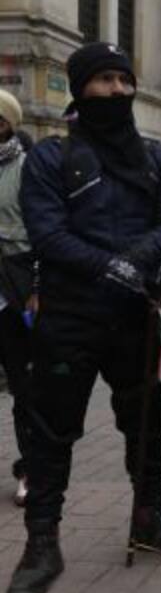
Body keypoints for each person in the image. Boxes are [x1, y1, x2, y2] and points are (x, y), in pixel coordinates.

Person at [7, 42, 161, 593]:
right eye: (104, 81)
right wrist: (107, 265)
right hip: (69, 318)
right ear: (81, 89)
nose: (118, 91)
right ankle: (42, 543)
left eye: (125, 81)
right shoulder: (51, 159)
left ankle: (151, 518)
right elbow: (47, 233)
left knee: (148, 425)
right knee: (51, 434)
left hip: (136, 316)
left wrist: (136, 260)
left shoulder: (157, 158)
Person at [0, 90, 34, 508]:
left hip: (14, 287)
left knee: (25, 387)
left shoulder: (27, 168)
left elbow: (40, 230)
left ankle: (32, 469)